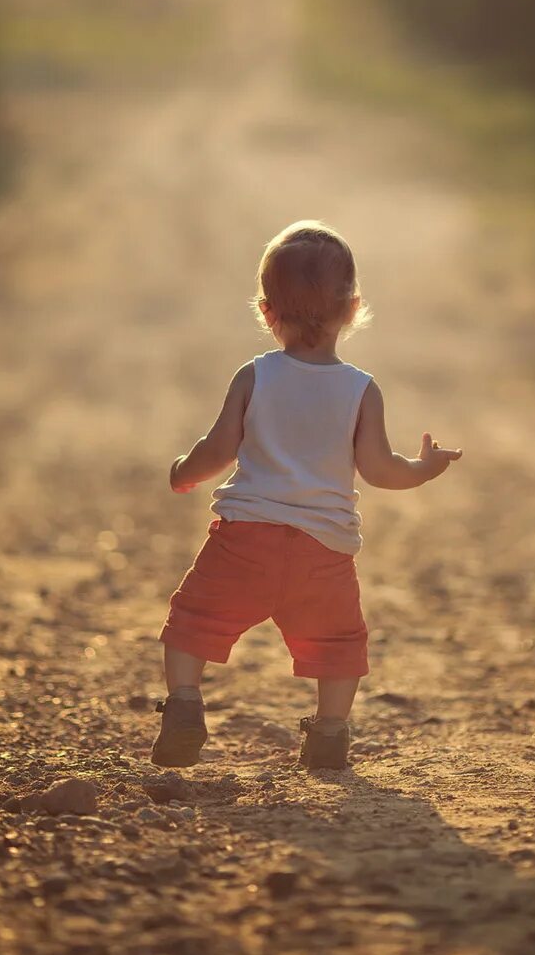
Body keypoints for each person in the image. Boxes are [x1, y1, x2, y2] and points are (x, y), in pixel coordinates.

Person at [152, 220, 462, 771]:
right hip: (324, 549)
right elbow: (380, 470)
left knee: (192, 621)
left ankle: (183, 706)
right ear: (353, 308)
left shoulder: (255, 376)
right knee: (338, 643)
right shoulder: (361, 389)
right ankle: (330, 733)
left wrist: (184, 471)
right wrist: (423, 469)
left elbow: (219, 447)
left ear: (266, 310)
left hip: (244, 540)